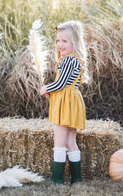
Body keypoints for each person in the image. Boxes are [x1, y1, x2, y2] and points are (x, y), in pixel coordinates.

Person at [40, 20, 89, 185]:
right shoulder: (75, 60)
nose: (60, 44)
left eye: (65, 41)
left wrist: (46, 87)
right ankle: (76, 179)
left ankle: (57, 180)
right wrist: (52, 93)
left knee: (59, 143)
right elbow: (67, 84)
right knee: (70, 142)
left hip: (65, 104)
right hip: (71, 102)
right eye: (58, 41)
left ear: (74, 42)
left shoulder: (68, 60)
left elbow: (61, 84)